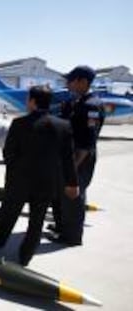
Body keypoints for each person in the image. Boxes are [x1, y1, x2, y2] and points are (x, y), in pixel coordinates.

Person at [0, 85, 78, 266]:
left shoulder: (19, 123)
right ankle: (26, 255)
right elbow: (67, 159)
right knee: (37, 219)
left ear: (33, 101)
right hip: (47, 182)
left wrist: (15, 171)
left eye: (27, 99)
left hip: (19, 180)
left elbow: (8, 153)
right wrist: (72, 183)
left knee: (8, 212)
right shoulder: (63, 126)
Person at [46, 66, 105, 245]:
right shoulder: (78, 102)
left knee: (73, 196)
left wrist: (73, 166)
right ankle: (62, 227)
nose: (67, 83)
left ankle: (71, 237)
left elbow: (87, 141)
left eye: (71, 80)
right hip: (69, 155)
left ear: (83, 82)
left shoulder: (91, 106)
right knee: (61, 194)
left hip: (80, 157)